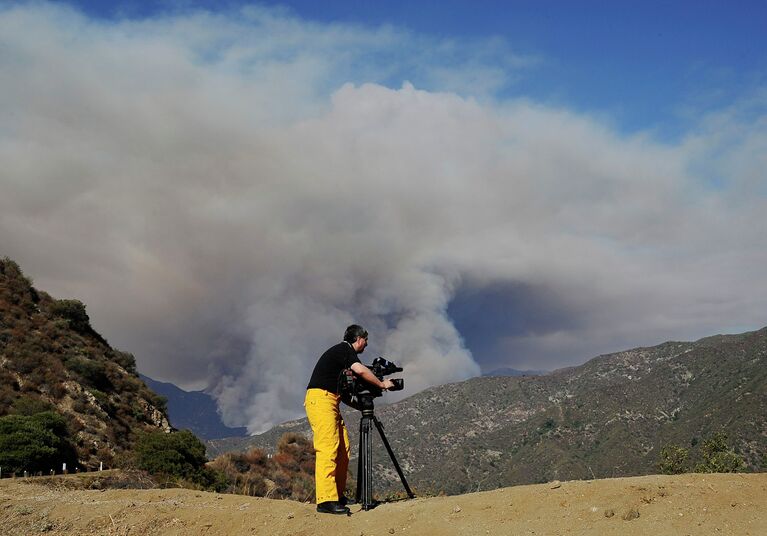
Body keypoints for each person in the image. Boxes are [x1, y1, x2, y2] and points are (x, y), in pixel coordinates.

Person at [305, 324, 395, 515]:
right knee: (328, 447)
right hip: (320, 400)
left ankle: (336, 495)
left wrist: (360, 406)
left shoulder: (341, 355)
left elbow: (344, 395)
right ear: (359, 339)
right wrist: (382, 384)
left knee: (343, 447)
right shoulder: (344, 350)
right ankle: (326, 501)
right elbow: (361, 370)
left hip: (330, 401)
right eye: (366, 340)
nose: (367, 344)